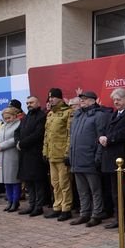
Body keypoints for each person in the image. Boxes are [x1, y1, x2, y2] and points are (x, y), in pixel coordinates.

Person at [68, 91, 110, 227]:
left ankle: (97, 214)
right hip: (77, 159)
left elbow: (101, 137)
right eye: (81, 99)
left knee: (95, 189)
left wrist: (97, 157)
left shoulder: (99, 115)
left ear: (93, 100)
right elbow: (72, 138)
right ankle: (84, 213)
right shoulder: (77, 115)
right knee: (82, 190)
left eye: (85, 99)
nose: (82, 101)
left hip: (90, 158)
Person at [99, 88, 125, 232]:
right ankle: (119, 218)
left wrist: (109, 139)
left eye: (119, 99)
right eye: (114, 100)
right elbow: (104, 129)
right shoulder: (113, 114)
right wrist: (101, 137)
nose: (116, 102)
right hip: (111, 159)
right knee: (115, 192)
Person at [43, 88, 74, 221]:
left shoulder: (68, 113)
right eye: (50, 98)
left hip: (62, 155)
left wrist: (67, 153)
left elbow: (69, 135)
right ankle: (57, 207)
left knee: (64, 183)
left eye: (54, 97)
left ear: (60, 98)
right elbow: (46, 135)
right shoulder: (50, 114)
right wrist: (45, 152)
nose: (51, 100)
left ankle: (66, 209)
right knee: (55, 183)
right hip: (52, 155)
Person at [16, 96, 48, 216]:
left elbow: (38, 134)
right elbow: (17, 131)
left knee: (37, 182)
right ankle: (31, 205)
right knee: (28, 182)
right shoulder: (26, 116)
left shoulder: (42, 116)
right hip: (24, 154)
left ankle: (38, 207)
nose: (29, 104)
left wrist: (22, 143)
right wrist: (17, 141)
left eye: (31, 102)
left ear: (38, 103)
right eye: (27, 103)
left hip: (36, 154)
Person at [0, 107, 22, 212]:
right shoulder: (3, 126)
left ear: (15, 116)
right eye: (5, 118)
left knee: (14, 180)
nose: (7, 120)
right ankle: (9, 201)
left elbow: (15, 139)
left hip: (13, 156)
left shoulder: (18, 124)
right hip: (2, 156)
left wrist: (2, 145)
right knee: (6, 181)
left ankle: (15, 201)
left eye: (9, 118)